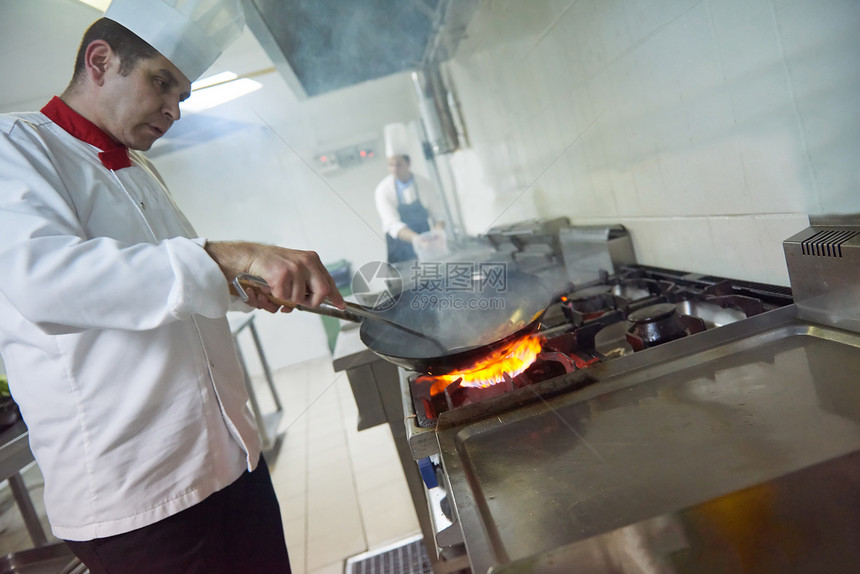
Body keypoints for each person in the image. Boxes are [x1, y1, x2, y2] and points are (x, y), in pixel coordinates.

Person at [0, 1, 343, 572]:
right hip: (141, 500)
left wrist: (242, 284)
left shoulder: (138, 171)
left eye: (182, 95)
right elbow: (44, 282)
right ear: (101, 60)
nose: (174, 110)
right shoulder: (18, 146)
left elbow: (170, 281)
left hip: (233, 463)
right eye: (162, 83)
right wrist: (226, 256)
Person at [374, 122, 445, 263]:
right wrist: (418, 240)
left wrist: (437, 235)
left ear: (408, 163)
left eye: (398, 164)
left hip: (428, 248)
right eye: (390, 165)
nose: (394, 169)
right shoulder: (383, 190)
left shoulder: (424, 184)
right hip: (400, 252)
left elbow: (438, 215)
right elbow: (392, 224)